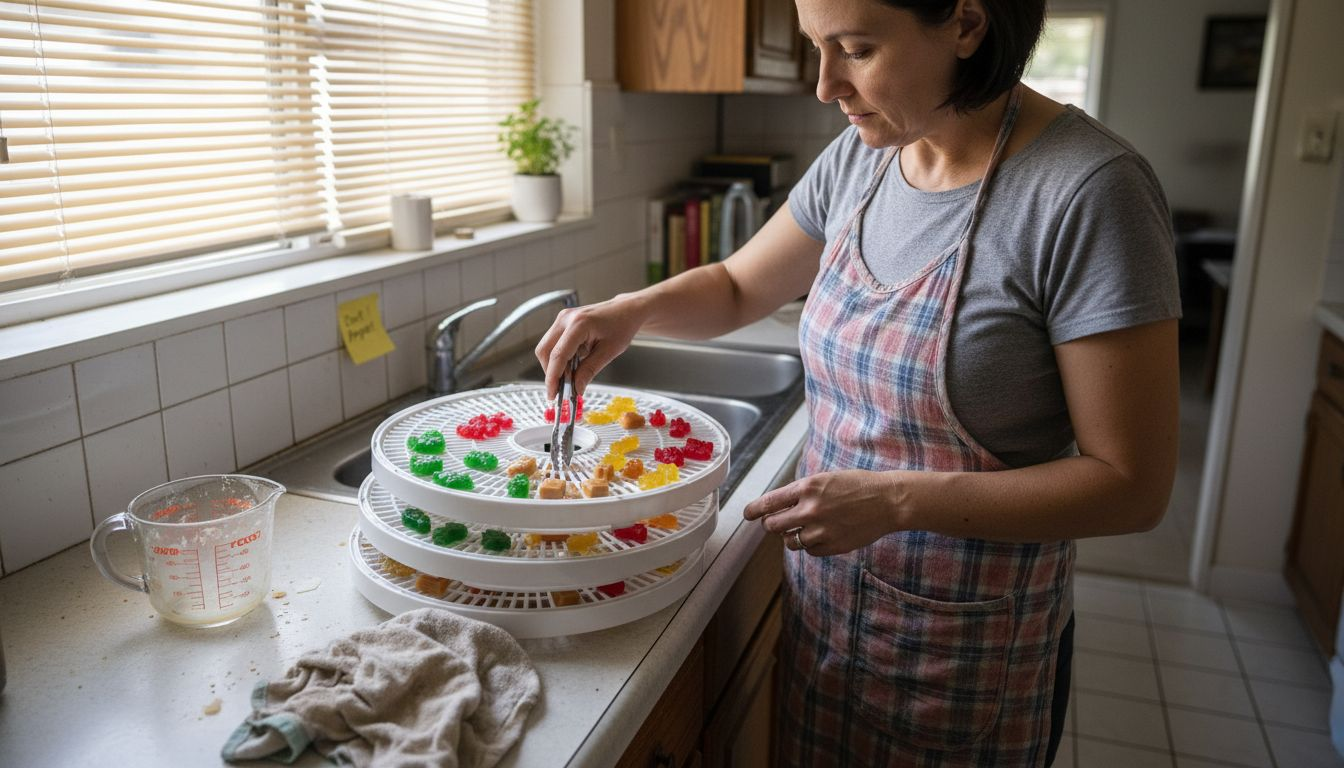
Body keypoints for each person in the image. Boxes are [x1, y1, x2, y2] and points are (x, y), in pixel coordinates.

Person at [536, 0, 1181, 764]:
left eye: (856, 49)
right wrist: (631, 311)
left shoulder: (1088, 191)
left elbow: (1131, 486)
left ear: (967, 26)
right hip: (827, 611)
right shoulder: (861, 157)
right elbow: (741, 287)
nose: (825, 85)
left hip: (963, 650)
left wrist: (897, 499)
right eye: (816, 47)